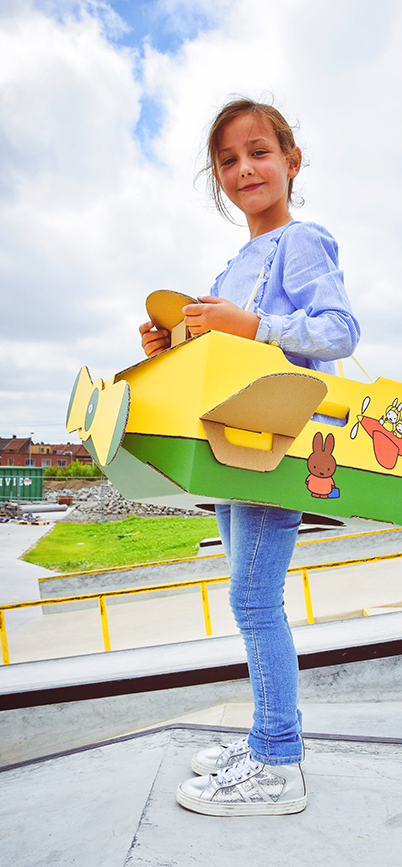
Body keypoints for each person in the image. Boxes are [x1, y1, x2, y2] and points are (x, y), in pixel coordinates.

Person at [139, 99, 360, 816]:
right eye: (228, 160)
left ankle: (278, 762)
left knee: (252, 599)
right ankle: (270, 737)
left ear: (292, 162)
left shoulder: (302, 240)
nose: (244, 169)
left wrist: (253, 322)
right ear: (219, 178)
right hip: (233, 449)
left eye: (259, 151)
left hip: (274, 444)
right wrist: (174, 344)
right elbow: (227, 354)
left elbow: (337, 331)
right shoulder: (236, 260)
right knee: (249, 596)